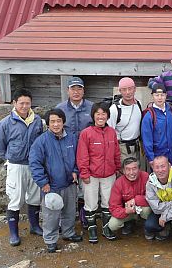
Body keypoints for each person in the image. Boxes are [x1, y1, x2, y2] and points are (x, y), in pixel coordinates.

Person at [29, 109, 83, 252]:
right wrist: (43, 182)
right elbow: (34, 163)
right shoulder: (41, 141)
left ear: (63, 122)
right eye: (52, 121)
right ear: (48, 124)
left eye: (59, 121)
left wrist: (75, 171)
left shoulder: (72, 138)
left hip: (69, 183)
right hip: (51, 186)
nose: (56, 124)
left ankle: (68, 233)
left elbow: (79, 157)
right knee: (51, 215)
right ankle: (51, 239)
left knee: (70, 211)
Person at [0, 88, 44, 246]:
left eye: (27, 103)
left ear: (31, 104)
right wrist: (11, 159)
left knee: (35, 197)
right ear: (14, 103)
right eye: (21, 103)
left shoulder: (38, 121)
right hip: (16, 166)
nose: (24, 106)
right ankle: (14, 233)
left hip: (34, 165)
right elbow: (0, 147)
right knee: (15, 199)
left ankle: (35, 226)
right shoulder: (5, 123)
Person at [77, 102, 121, 243]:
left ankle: (107, 228)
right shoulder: (86, 133)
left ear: (107, 116)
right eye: (98, 114)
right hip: (91, 175)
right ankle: (92, 229)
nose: (101, 117)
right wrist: (84, 173)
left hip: (109, 174)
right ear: (93, 115)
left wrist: (117, 168)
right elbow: (82, 155)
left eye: (103, 114)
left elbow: (116, 152)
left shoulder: (111, 132)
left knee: (108, 202)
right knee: (91, 203)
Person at [55, 76, 93, 229]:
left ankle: (84, 215)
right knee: (65, 185)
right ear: (68, 91)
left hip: (87, 154)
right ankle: (63, 219)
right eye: (73, 89)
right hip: (66, 154)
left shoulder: (92, 107)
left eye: (79, 88)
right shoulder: (60, 108)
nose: (76, 92)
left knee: (85, 186)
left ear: (83, 91)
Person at [105, 157, 152, 239]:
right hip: (127, 211)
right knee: (113, 225)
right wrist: (125, 211)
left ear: (139, 169)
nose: (131, 172)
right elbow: (113, 207)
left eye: (134, 169)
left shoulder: (146, 177)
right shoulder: (118, 183)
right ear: (123, 171)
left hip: (142, 207)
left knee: (147, 210)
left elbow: (152, 198)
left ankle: (147, 226)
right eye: (128, 169)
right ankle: (129, 222)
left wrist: (135, 200)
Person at [142, 83, 172, 171]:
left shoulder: (170, 110)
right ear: (152, 96)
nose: (159, 97)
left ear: (166, 95)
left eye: (162, 95)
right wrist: (151, 158)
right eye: (156, 95)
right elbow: (147, 139)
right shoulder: (149, 116)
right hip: (158, 154)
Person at [107, 77, 142, 162]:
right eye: (124, 89)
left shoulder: (138, 104)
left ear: (135, 89)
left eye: (130, 89)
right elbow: (108, 132)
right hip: (122, 149)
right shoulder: (114, 109)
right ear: (120, 91)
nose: (128, 92)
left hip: (137, 147)